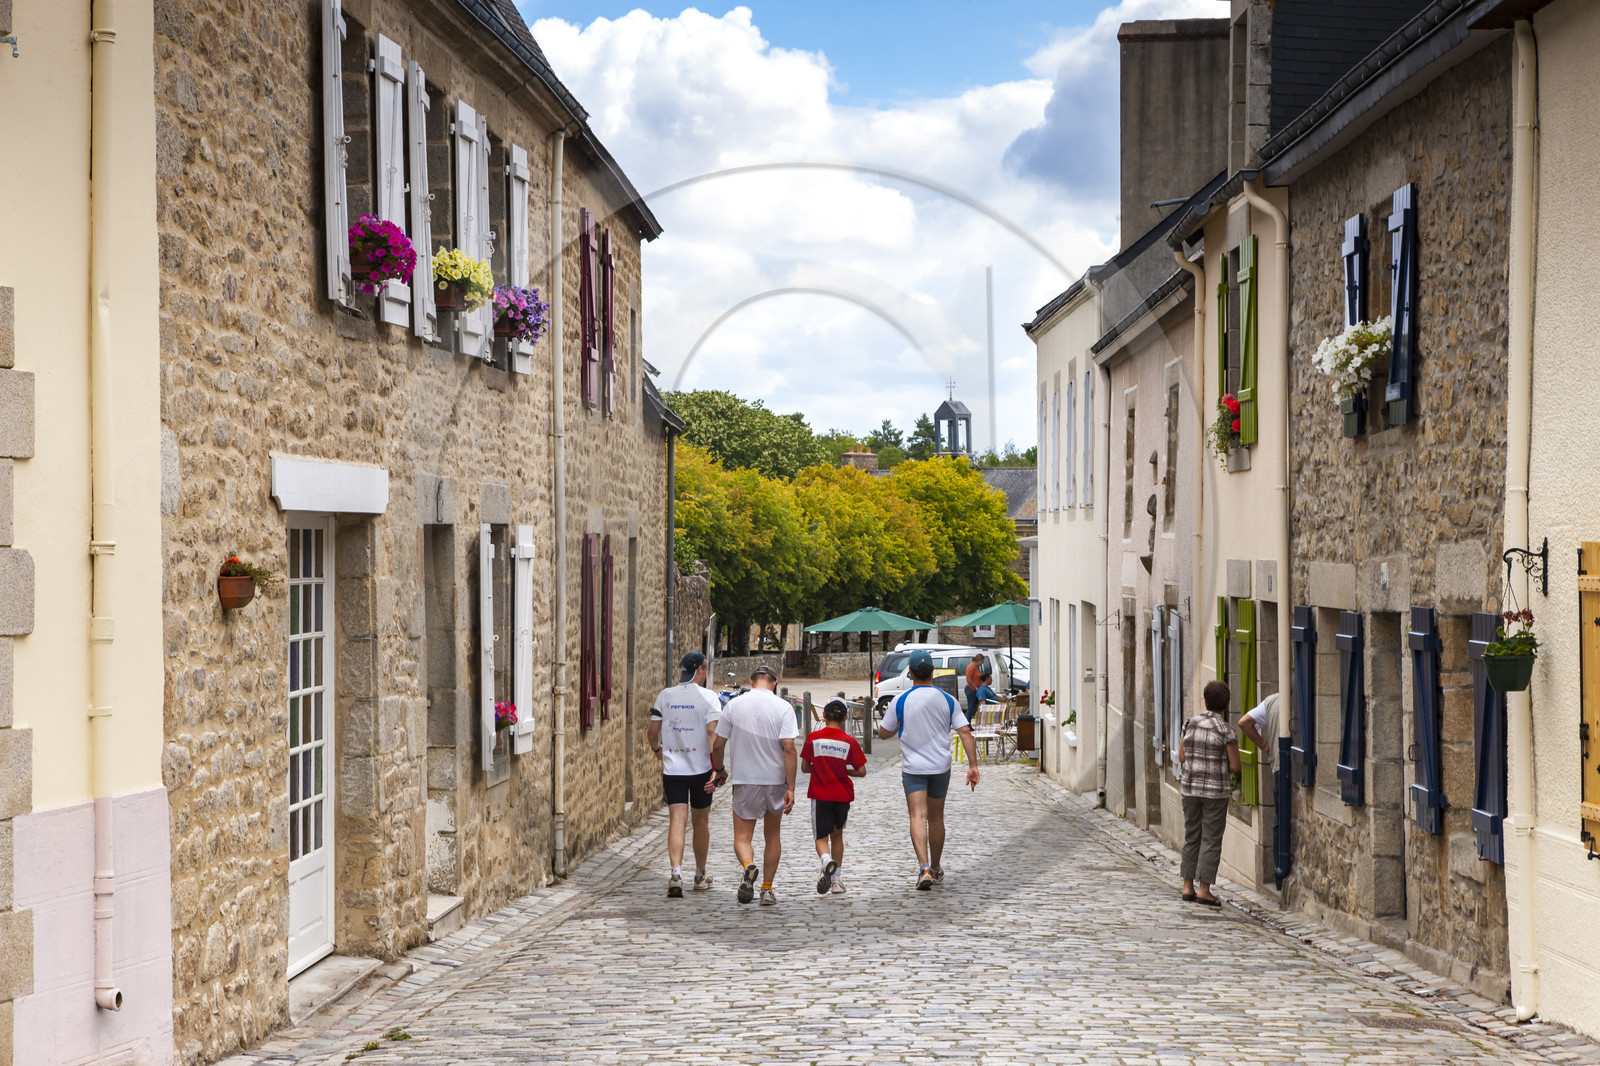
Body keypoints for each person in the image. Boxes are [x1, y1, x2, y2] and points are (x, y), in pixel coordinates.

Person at [879, 650, 979, 890]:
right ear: (933, 672)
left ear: (910, 673)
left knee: (917, 816)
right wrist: (973, 765)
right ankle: (935, 868)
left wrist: (900, 724)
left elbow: (883, 733)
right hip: (940, 767)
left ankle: (923, 867)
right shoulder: (948, 700)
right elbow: (965, 732)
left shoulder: (900, 700)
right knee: (936, 818)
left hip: (913, 767)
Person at [710, 664, 798, 906]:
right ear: (774, 683)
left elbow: (718, 745)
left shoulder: (734, 705)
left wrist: (719, 770)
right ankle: (767, 890)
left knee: (742, 837)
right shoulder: (783, 707)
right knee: (773, 836)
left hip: (745, 779)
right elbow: (789, 749)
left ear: (751, 681)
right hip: (774, 780)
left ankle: (749, 866)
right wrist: (791, 787)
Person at [649, 651, 723, 898]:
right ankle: (700, 875)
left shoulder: (665, 695)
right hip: (700, 768)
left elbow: (651, 732)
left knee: (676, 821)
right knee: (701, 822)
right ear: (700, 670)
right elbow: (712, 734)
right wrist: (716, 768)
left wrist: (658, 749)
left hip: (673, 770)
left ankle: (675, 874)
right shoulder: (709, 698)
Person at [1176, 680, 1241, 906]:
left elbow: (1182, 756)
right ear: (1226, 704)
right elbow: (1235, 765)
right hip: (1215, 792)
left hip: (1190, 788)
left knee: (1191, 835)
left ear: (1204, 701)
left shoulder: (1189, 723)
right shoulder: (1226, 730)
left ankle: (1187, 886)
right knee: (1211, 839)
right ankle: (1204, 889)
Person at [800, 698, 868, 895]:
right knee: (837, 836)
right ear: (845, 717)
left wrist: (819, 768)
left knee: (821, 837)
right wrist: (845, 772)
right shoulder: (849, 741)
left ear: (824, 716)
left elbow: (805, 768)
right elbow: (862, 770)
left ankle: (826, 860)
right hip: (842, 796)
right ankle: (837, 880)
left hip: (821, 795)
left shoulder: (813, 738)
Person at [1237, 692, 1280, 777]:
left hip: (1278, 767)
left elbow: (1244, 723)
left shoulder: (1272, 700)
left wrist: (1265, 746)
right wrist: (1265, 746)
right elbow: (1243, 723)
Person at [964, 652, 985, 722]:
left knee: (974, 708)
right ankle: (967, 724)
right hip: (971, 689)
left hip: (976, 689)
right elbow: (968, 679)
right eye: (982, 662)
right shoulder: (971, 667)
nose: (982, 663)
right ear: (978, 660)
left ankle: (969, 724)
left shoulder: (977, 667)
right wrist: (975, 686)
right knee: (970, 707)